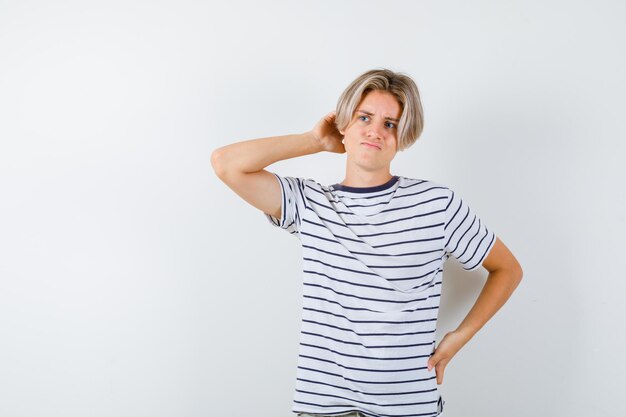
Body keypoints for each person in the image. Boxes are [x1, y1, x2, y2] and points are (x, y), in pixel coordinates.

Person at [211, 68, 523, 417]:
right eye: (364, 117)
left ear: (403, 137)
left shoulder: (437, 204)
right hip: (324, 407)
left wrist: (460, 337)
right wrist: (313, 141)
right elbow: (226, 164)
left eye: (391, 124)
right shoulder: (309, 204)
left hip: (406, 405)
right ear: (343, 123)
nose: (376, 131)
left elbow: (507, 269)